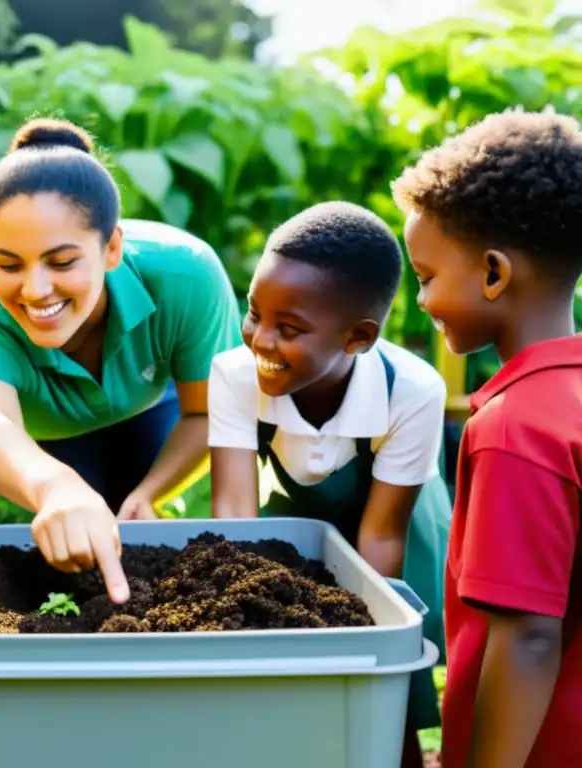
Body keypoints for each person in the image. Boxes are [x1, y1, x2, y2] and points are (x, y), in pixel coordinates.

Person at [0, 117, 242, 603]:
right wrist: (54, 486)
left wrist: (149, 493)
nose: (35, 290)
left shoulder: (185, 273)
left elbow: (211, 412)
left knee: (154, 570)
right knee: (46, 577)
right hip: (36, 445)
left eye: (61, 262)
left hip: (147, 415)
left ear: (112, 247)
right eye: (9, 264)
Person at [206, 201, 452, 766]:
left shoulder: (410, 390)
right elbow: (234, 517)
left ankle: (394, 750)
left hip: (397, 521)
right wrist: (244, 619)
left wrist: (361, 632)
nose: (260, 340)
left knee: (390, 673)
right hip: (299, 512)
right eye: (254, 313)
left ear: (357, 337)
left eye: (288, 328)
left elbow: (381, 539)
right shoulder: (236, 375)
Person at [393, 108, 582, 768]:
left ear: (495, 274)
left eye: (426, 277)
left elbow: (529, 636)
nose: (420, 301)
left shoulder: (515, 429)